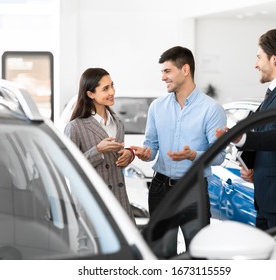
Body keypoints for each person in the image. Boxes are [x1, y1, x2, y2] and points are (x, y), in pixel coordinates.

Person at [131, 46, 227, 254]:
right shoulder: (157, 107)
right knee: (161, 253)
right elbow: (152, 146)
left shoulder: (211, 109)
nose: (163, 77)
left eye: (167, 71)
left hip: (192, 190)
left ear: (185, 70)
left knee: (197, 253)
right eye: (162, 72)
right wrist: (146, 153)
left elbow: (219, 155)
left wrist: (194, 156)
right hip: (160, 189)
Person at [217, 29, 276, 230]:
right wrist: (253, 167)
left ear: (275, 59)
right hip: (270, 198)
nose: (256, 64)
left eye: (259, 57)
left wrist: (239, 137)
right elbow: (271, 137)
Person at [64, 68, 135, 222]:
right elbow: (68, 168)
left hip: (120, 203)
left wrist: (128, 155)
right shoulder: (75, 127)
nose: (112, 92)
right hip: (93, 205)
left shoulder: (118, 123)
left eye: (112, 86)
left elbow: (117, 163)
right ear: (90, 94)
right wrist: (97, 150)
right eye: (105, 89)